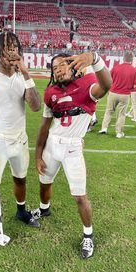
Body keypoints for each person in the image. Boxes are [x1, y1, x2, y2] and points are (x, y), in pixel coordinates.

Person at [31, 52, 112, 259]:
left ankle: (88, 234)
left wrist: (95, 59)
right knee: (44, 182)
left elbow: (106, 85)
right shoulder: (51, 92)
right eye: (54, 67)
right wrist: (37, 155)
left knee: (79, 196)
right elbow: (44, 126)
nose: (58, 69)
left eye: (62, 65)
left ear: (73, 65)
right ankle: (44, 208)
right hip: (52, 145)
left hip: (73, 148)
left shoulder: (87, 84)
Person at [0, 31, 41, 257]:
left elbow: (35, 106)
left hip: (20, 139)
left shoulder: (22, 77)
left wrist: (25, 73)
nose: (12, 51)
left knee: (21, 179)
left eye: (15, 46)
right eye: (7, 47)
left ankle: (21, 212)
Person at [99, 51, 136, 138]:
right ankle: (119, 133)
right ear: (132, 60)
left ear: (123, 58)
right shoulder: (134, 70)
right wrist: (128, 88)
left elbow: (109, 80)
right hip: (125, 95)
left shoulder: (116, 67)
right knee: (121, 114)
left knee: (108, 111)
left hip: (113, 93)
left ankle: (104, 128)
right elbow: (135, 86)